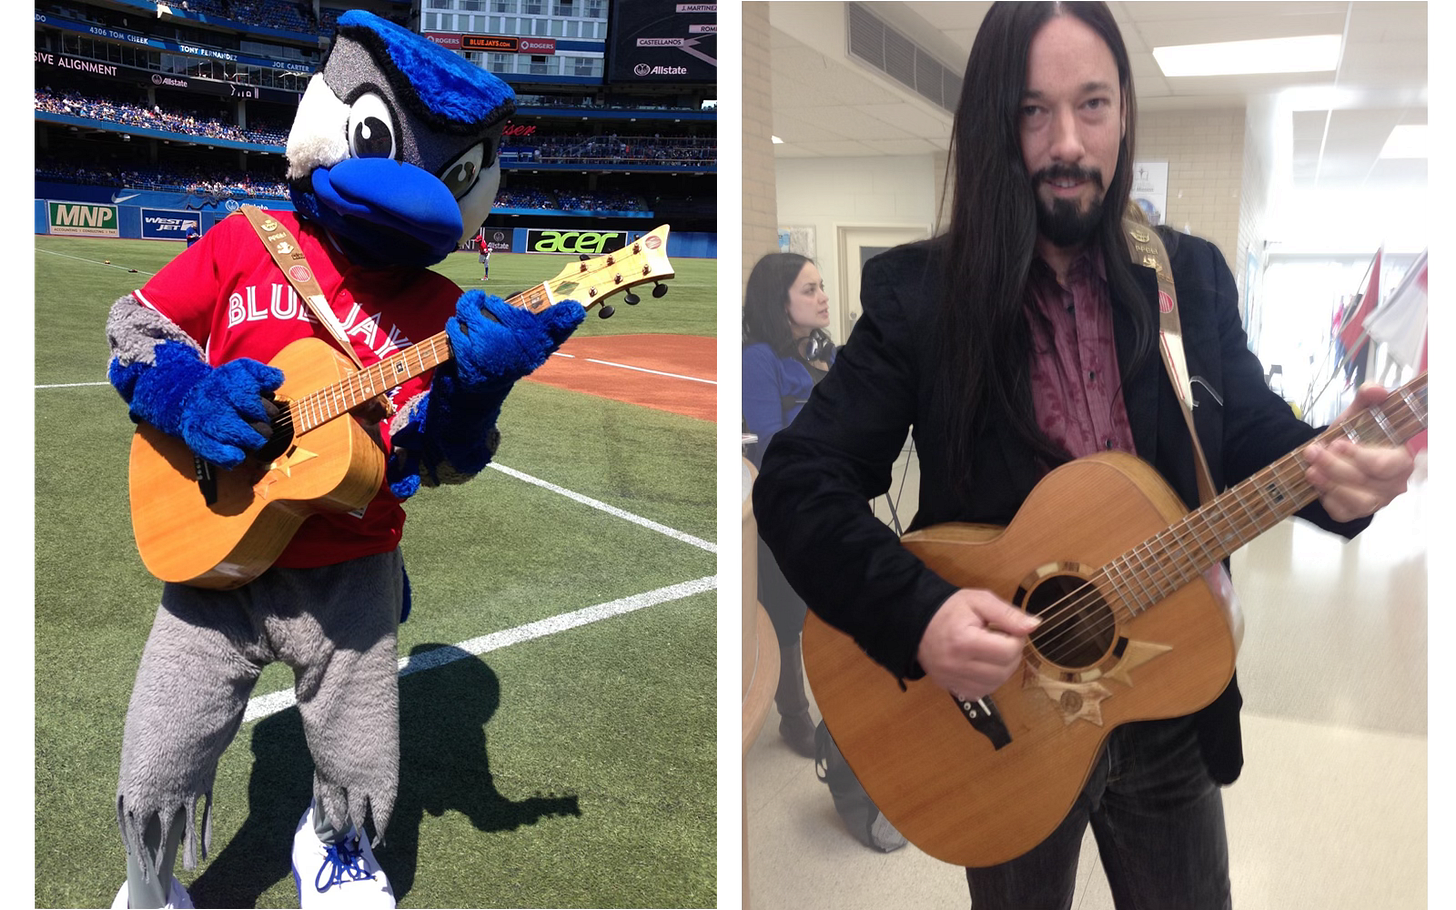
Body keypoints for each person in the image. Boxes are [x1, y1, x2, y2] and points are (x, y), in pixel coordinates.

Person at [752, 2, 1416, 908]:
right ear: (994, 123)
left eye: (1093, 104)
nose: (1067, 141)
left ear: (1124, 115)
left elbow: (1259, 437)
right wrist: (920, 617)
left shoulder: (1191, 278)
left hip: (1168, 704)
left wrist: (1347, 482)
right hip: (994, 720)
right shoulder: (923, 297)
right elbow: (797, 480)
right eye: (1033, 110)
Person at [103, 12, 584, 910]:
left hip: (353, 568)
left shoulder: (443, 308)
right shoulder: (249, 238)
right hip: (213, 549)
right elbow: (135, 330)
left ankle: (334, 845)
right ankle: (150, 871)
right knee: (160, 752)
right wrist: (185, 394)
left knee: (362, 754)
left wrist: (477, 387)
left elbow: (437, 460)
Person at [739, 252, 834, 758]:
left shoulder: (825, 351)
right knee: (787, 610)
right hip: (786, 503)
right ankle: (793, 713)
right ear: (781, 302)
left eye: (821, 287)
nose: (823, 297)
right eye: (810, 289)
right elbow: (767, 443)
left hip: (832, 496)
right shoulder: (758, 359)